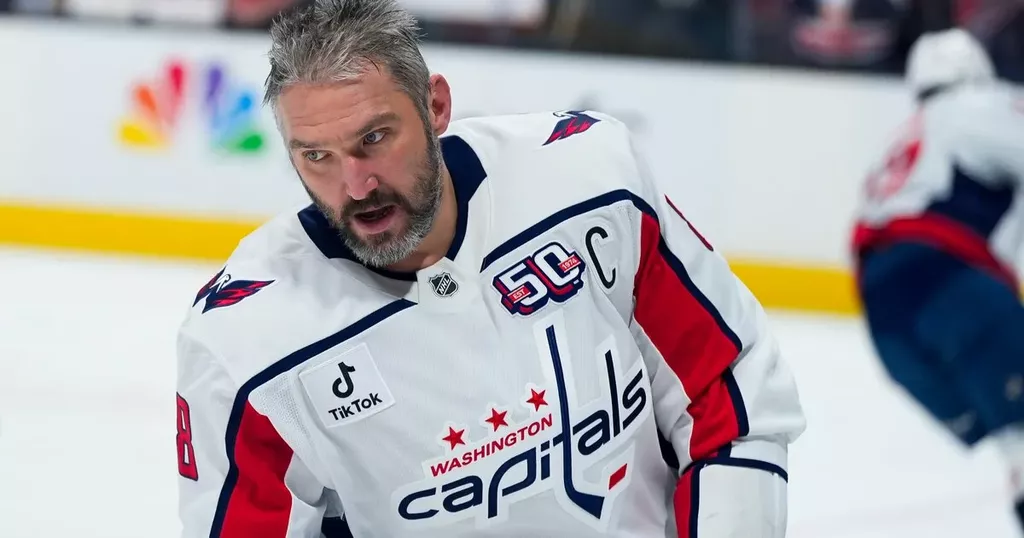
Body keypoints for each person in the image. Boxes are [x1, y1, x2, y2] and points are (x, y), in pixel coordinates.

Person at [174, 1, 806, 536]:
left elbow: (725, 392)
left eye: (375, 138)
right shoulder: (246, 342)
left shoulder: (591, 185)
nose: (356, 185)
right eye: (317, 156)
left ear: (436, 107)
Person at [852, 27, 1024, 529]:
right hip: (949, 283)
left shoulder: (906, 137)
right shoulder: (982, 104)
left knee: (1014, 435)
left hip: (886, 319)